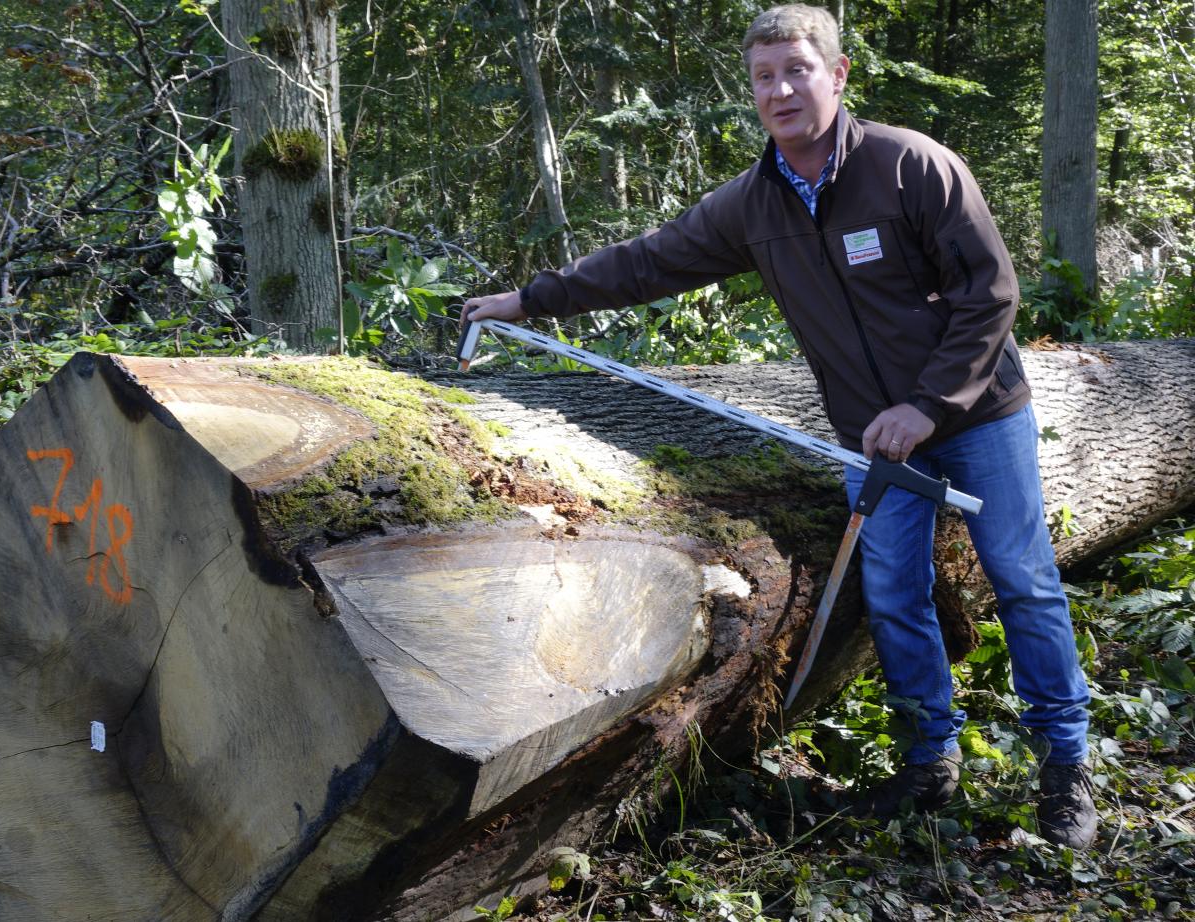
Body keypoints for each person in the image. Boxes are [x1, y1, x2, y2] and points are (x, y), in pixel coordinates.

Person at [462, 4, 1096, 849]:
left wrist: (929, 405)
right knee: (895, 595)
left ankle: (1064, 770)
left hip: (979, 413)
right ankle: (928, 767)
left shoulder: (912, 168)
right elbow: (647, 260)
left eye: (797, 70)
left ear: (835, 75)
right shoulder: (752, 205)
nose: (780, 90)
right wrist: (529, 300)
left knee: (1022, 580)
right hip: (869, 436)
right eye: (764, 77)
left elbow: (991, 296)